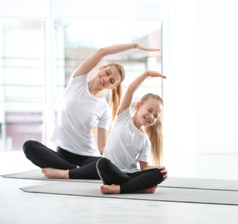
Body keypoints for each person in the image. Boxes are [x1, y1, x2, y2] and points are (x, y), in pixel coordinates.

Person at [22, 43, 159, 179]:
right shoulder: (77, 81)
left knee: (104, 164)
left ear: (112, 87)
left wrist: (123, 151)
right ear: (101, 68)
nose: (105, 79)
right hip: (62, 153)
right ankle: (76, 171)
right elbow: (102, 52)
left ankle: (67, 172)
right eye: (107, 73)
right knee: (29, 146)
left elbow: (102, 147)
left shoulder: (104, 108)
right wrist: (134, 46)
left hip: (87, 157)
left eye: (112, 81)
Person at [96, 70, 168, 194]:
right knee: (102, 163)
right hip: (111, 174)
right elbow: (130, 90)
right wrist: (146, 74)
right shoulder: (123, 117)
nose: (151, 116)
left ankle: (120, 188)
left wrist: (160, 168)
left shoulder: (145, 140)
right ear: (138, 106)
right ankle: (137, 187)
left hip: (130, 173)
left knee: (159, 174)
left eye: (156, 116)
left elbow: (144, 167)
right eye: (149, 110)